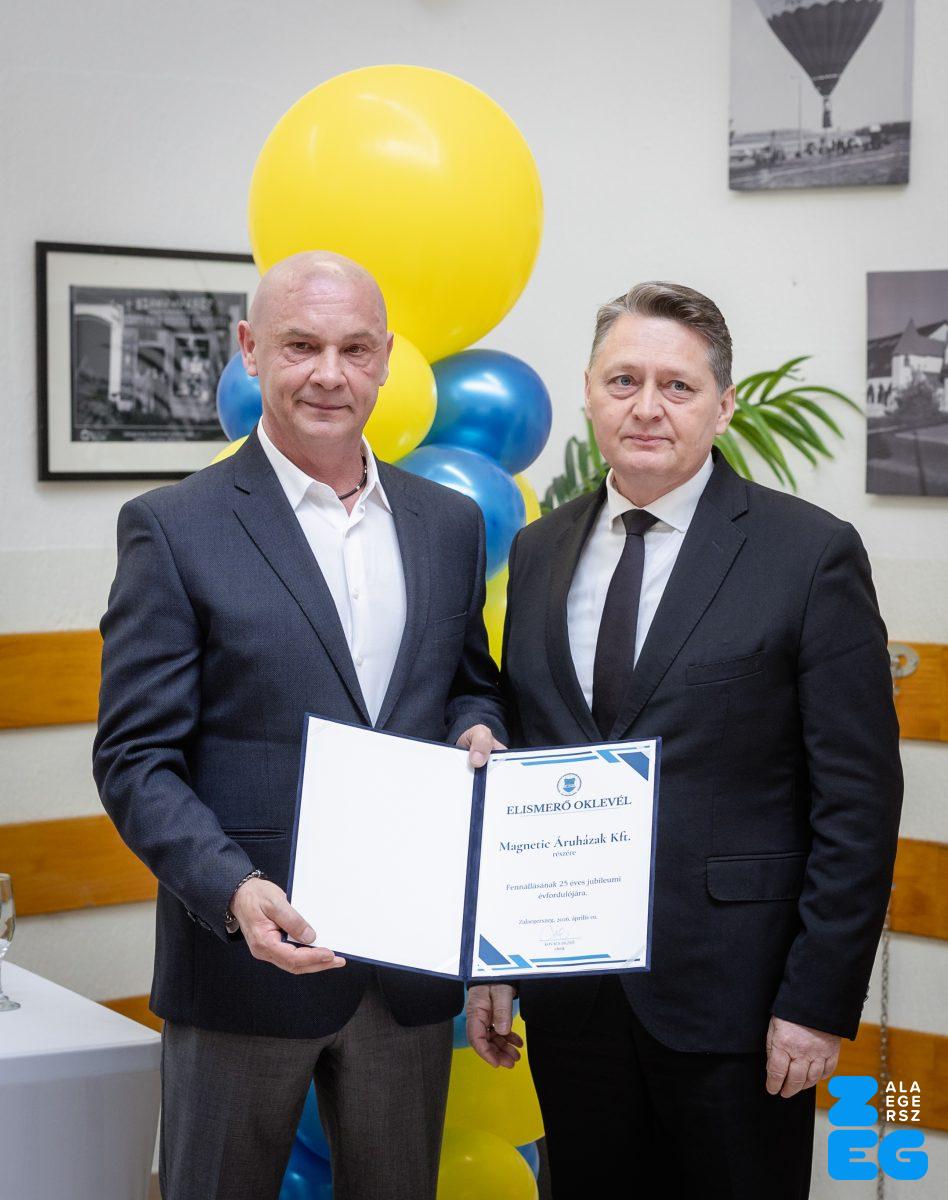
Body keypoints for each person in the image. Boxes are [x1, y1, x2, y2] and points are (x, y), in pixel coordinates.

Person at [467, 281, 901, 1199]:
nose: (647, 407)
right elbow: (527, 767)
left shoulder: (807, 554)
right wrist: (494, 959)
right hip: (574, 997)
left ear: (723, 405)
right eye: (624, 380)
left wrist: (817, 1001)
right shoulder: (540, 552)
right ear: (590, 393)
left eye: (678, 386)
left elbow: (859, 803)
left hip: (740, 1005)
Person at [94, 251, 506, 1200]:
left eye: (355, 349)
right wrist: (234, 892)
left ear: (387, 358)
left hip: (405, 972)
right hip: (241, 964)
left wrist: (477, 729)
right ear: (249, 349)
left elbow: (468, 686)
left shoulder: (448, 524)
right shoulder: (174, 526)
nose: (330, 374)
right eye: (301, 346)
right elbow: (135, 758)